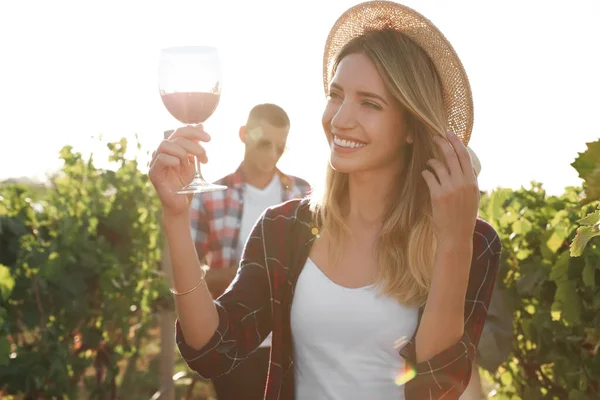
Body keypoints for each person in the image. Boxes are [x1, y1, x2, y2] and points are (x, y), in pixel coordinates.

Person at [149, 2, 502, 399]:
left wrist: (454, 243)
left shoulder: (472, 241)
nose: (339, 118)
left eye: (369, 103)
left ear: (410, 125)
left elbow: (439, 388)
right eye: (336, 95)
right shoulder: (285, 228)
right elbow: (213, 351)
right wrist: (175, 217)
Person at [188, 103, 311, 399]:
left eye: (280, 148)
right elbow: (189, 276)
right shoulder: (210, 196)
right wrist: (250, 276)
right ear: (244, 134)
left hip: (292, 342)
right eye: (264, 143)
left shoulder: (303, 194)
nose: (272, 154)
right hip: (233, 340)